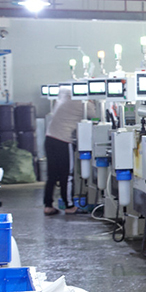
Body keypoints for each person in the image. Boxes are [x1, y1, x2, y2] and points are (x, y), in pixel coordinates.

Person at [44, 86, 88, 215]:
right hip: (63, 141)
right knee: (67, 175)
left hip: (50, 138)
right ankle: (69, 205)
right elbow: (95, 114)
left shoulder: (63, 98)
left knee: (52, 175)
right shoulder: (82, 103)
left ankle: (48, 205)